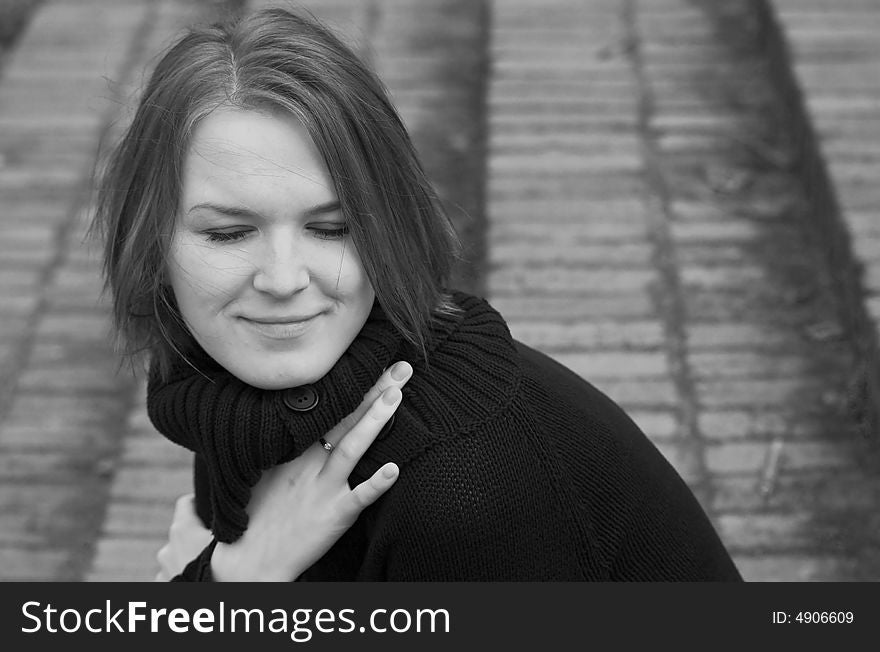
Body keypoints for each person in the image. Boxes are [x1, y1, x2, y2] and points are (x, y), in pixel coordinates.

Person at [92, 5, 743, 582]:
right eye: (231, 233)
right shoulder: (229, 380)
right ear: (154, 243)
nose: (284, 281)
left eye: (332, 228)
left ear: (387, 221)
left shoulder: (461, 485)